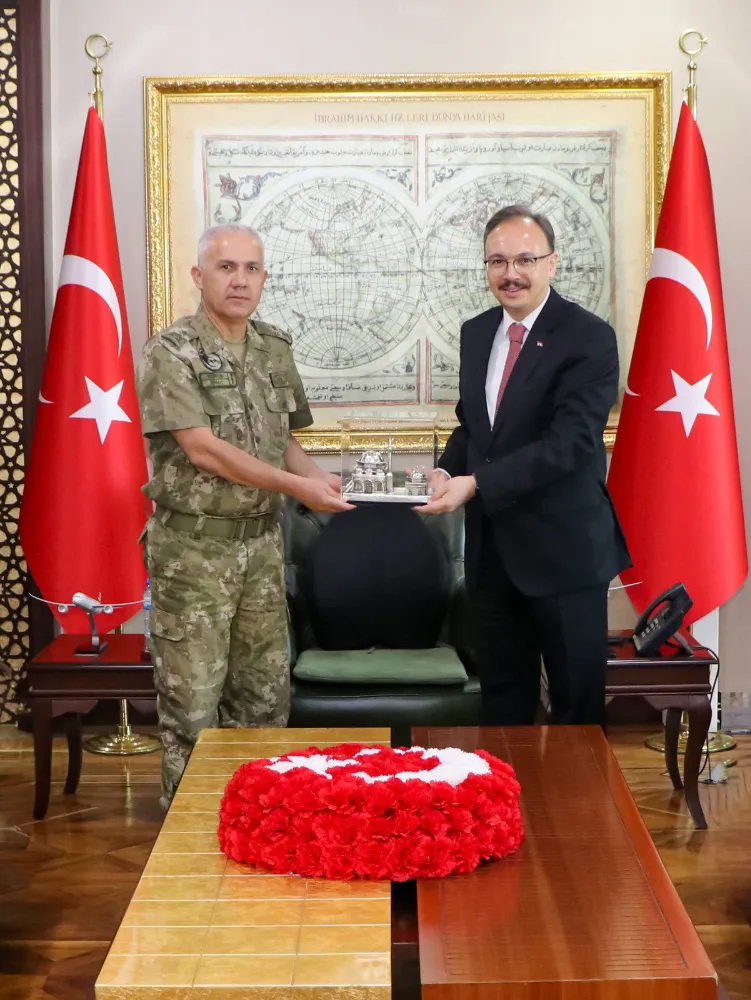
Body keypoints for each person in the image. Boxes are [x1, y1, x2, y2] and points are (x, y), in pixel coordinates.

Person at [137, 223, 353, 806]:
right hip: (193, 553)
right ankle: (188, 841)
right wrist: (298, 488)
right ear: (199, 275)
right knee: (193, 707)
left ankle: (256, 827)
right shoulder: (171, 351)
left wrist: (317, 480)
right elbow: (203, 449)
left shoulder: (273, 347)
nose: (240, 280)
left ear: (264, 278)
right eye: (226, 267)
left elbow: (284, 442)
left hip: (261, 547)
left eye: (251, 269)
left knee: (262, 702)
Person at [420, 204, 630, 726]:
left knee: (577, 714)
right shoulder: (476, 332)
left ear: (552, 263)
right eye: (497, 261)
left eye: (525, 260)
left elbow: (570, 443)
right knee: (503, 709)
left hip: (564, 556)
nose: (510, 273)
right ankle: (509, 786)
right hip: (493, 557)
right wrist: (446, 471)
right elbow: (474, 426)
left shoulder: (588, 337)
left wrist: (476, 483)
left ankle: (574, 788)